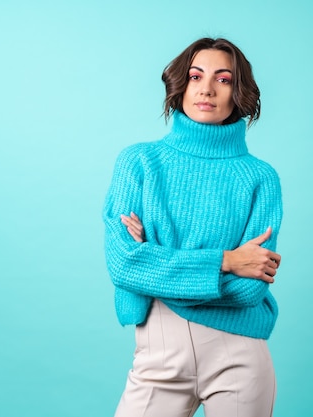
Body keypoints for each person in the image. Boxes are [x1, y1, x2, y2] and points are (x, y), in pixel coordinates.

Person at [102, 37, 283, 417]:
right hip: (159, 351)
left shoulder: (260, 177)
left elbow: (250, 288)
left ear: (239, 92)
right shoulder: (139, 163)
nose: (206, 88)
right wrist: (227, 261)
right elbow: (123, 265)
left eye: (223, 79)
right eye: (196, 75)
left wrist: (155, 263)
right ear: (180, 84)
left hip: (240, 351)